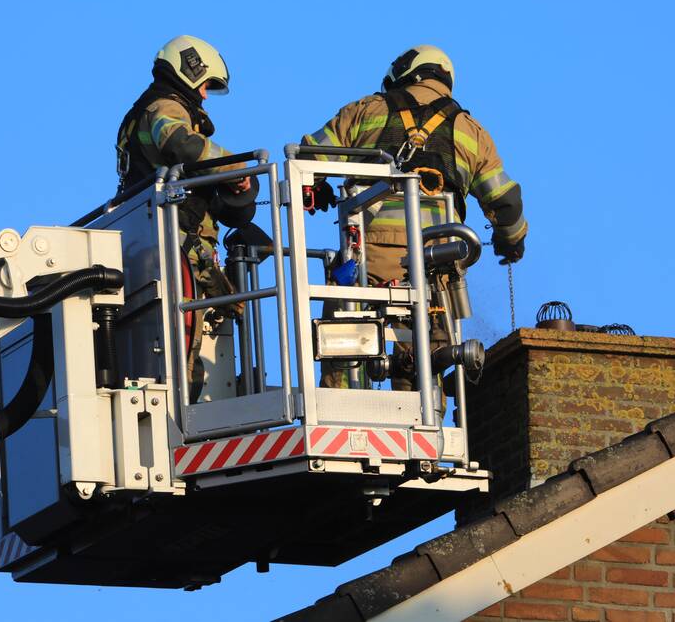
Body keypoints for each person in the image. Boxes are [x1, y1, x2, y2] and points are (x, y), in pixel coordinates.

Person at [301, 44, 527, 389]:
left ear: (405, 73)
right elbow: (505, 201)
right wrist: (510, 242)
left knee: (346, 357)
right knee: (423, 365)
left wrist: (315, 189)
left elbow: (308, 159)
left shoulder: (366, 111)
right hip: (435, 263)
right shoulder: (472, 132)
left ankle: (344, 407)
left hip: (368, 258)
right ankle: (426, 420)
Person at [116, 35, 250, 396]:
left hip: (164, 245)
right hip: (175, 247)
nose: (205, 96)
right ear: (189, 71)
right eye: (205, 86)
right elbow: (181, 144)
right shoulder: (164, 107)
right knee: (181, 357)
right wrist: (236, 168)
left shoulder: (153, 107)